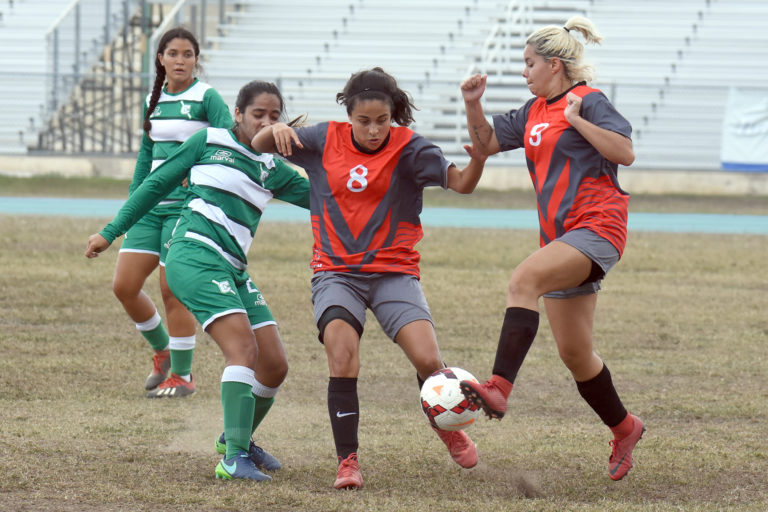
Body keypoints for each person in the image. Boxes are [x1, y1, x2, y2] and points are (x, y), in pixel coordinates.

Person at [251, 67, 487, 490]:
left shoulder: (412, 149)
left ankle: (447, 424)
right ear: (349, 114)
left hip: (393, 271)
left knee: (429, 362)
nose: (375, 129)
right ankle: (348, 462)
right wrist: (278, 129)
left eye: (383, 120)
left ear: (393, 114)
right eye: (364, 121)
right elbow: (258, 142)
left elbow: (464, 184)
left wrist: (480, 157)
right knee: (342, 355)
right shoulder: (324, 138)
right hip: (336, 271)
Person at [85, 80, 311, 481]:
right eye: (258, 113)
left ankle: (235, 438)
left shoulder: (275, 169)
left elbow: (328, 199)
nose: (267, 121)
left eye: (275, 116)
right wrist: (111, 231)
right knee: (243, 348)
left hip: (233, 267)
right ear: (237, 115)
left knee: (274, 365)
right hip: (192, 255)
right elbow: (157, 183)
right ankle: (233, 461)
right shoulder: (210, 140)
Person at [458, 16, 644, 481]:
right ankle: (625, 428)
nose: (524, 73)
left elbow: (624, 153)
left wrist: (578, 122)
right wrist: (472, 104)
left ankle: (499, 386)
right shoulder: (532, 110)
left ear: (555, 66)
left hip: (598, 227)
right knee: (576, 355)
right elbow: (483, 144)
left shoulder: (589, 102)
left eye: (529, 64)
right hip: (561, 238)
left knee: (523, 280)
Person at [114, 27, 233, 398]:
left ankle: (182, 375)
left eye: (187, 54)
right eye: (173, 53)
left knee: (172, 291)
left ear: (197, 59)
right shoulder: (154, 101)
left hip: (186, 208)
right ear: (160, 59)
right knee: (125, 286)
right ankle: (162, 350)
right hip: (152, 209)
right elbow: (145, 157)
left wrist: (197, 174)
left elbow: (228, 144)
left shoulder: (207, 98)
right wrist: (135, 201)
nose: (180, 60)